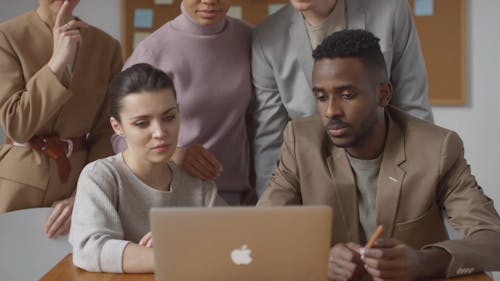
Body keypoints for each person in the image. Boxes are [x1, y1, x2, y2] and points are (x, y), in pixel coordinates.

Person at [257, 30, 500, 281]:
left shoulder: (437, 148)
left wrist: (422, 262)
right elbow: (261, 230)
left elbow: (492, 239)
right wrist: (318, 256)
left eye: (347, 95)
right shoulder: (301, 142)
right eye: (321, 97)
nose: (330, 111)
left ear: (383, 94)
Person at [252, 0, 434, 195]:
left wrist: (421, 188)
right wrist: (269, 214)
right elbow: (270, 142)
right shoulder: (266, 37)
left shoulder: (391, 9)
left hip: (388, 172)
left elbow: (413, 107)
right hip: (314, 185)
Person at [69, 63, 218, 273]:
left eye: (169, 117)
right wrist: (174, 252)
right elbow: (90, 250)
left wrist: (180, 239)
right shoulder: (100, 176)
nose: (159, 132)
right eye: (141, 123)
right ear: (117, 127)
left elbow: (226, 243)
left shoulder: (198, 182)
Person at [111, 0, 254, 205]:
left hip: (236, 194)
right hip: (172, 193)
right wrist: (173, 154)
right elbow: (119, 138)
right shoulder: (152, 51)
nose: (209, 1)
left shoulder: (249, 38)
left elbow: (258, 122)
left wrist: (261, 183)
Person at [0, 0, 122, 238]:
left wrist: (84, 194)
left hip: (79, 183)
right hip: (17, 186)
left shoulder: (107, 47)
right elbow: (17, 125)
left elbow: (108, 132)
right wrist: (57, 61)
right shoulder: (6, 37)